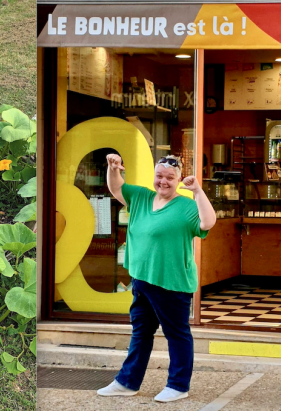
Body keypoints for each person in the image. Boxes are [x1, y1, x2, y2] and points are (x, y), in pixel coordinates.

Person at [97, 154, 216, 403]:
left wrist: (197, 191)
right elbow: (116, 187)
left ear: (178, 179)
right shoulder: (141, 197)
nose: (163, 182)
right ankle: (127, 382)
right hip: (142, 278)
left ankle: (178, 385)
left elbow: (208, 222)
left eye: (170, 178)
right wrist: (113, 168)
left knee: (177, 334)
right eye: (159, 176)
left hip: (171, 282)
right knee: (141, 332)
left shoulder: (187, 206)